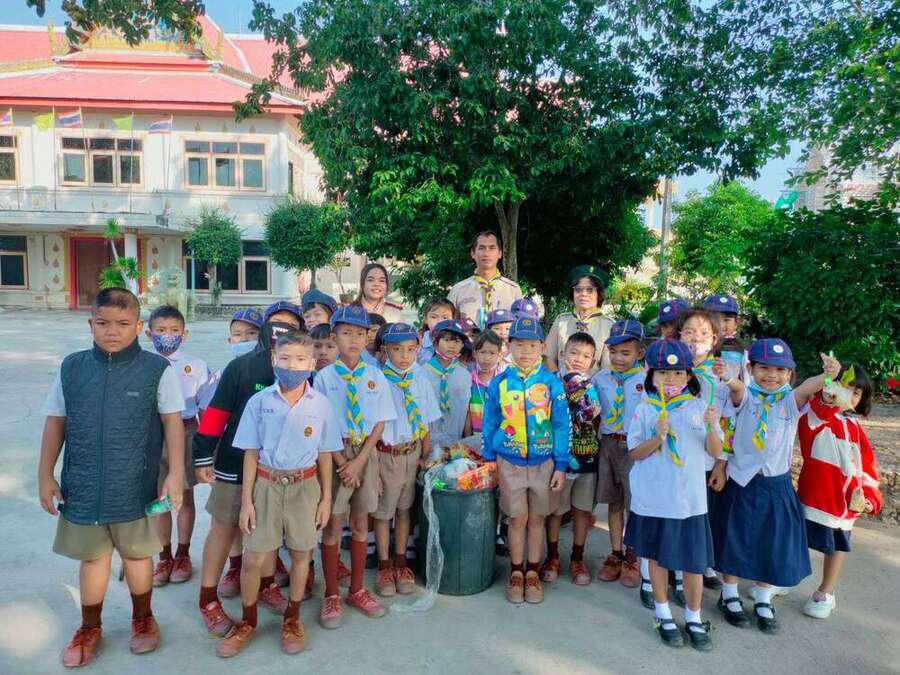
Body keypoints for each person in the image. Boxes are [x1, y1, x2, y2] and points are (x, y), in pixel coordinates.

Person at [38, 288, 186, 667]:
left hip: (134, 485)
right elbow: (56, 421)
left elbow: (173, 423)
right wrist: (45, 474)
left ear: (138, 326)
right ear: (91, 324)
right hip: (83, 484)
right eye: (103, 323)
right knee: (92, 559)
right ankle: (90, 627)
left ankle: (143, 619)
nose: (112, 331)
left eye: (123, 323)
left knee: (137, 556)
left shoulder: (156, 370)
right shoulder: (72, 368)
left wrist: (175, 474)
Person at [216, 330, 341, 657]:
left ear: (312, 363)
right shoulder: (259, 403)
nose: (292, 365)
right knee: (253, 558)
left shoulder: (321, 404)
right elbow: (250, 453)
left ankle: (292, 618)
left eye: (300, 359)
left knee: (301, 554)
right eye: (285, 358)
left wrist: (326, 498)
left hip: (305, 487)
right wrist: (247, 501)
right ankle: (248, 620)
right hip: (266, 485)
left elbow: (325, 454)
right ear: (274, 360)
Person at [710, 341, 841, 635]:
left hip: (776, 484)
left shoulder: (789, 401)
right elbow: (736, 389)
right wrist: (728, 377)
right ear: (751, 368)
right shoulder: (746, 396)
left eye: (780, 370)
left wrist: (828, 375)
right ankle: (729, 594)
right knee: (734, 538)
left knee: (771, 542)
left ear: (790, 374)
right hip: (742, 481)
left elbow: (807, 388)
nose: (772, 375)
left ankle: (763, 597)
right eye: (764, 368)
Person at [193, 301, 303, 637]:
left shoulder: (302, 369)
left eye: (290, 324)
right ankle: (207, 599)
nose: (281, 330)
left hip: (276, 469)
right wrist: (203, 456)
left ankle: (266, 585)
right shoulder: (240, 367)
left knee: (267, 531)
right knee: (224, 527)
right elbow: (216, 414)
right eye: (275, 322)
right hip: (234, 464)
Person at [625, 339, 723, 651]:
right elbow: (635, 453)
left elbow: (716, 451)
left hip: (689, 502)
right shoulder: (644, 410)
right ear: (651, 375)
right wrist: (658, 436)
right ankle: (663, 613)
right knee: (656, 559)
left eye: (679, 373)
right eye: (664, 373)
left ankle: (694, 617)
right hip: (654, 500)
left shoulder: (699, 408)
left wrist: (711, 427)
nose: (671, 379)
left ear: (689, 376)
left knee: (693, 563)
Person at [313, 304, 397, 628]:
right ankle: (332, 593)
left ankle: (358, 589)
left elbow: (379, 422)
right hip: (334, 452)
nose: (353, 340)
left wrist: (359, 462)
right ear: (334, 337)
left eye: (359, 334)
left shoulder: (375, 376)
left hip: (365, 453)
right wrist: (342, 463)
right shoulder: (324, 378)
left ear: (367, 338)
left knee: (361, 522)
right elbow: (321, 425)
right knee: (333, 525)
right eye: (345, 333)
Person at [482, 316, 571, 605]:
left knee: (537, 519)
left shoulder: (552, 384)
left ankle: (533, 571)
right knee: (516, 518)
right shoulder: (499, 383)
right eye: (519, 345)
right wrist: (490, 459)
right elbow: (489, 422)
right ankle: (516, 571)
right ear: (508, 347)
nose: (526, 352)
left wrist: (560, 465)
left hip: (544, 464)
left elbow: (561, 425)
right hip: (509, 463)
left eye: (532, 346)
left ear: (542, 348)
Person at [797, 363, 881, 619]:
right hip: (813, 496)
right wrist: (827, 394)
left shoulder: (856, 428)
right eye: (846, 387)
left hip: (845, 504)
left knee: (837, 546)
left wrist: (870, 497)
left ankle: (826, 592)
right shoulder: (816, 416)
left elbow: (867, 467)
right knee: (796, 540)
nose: (850, 395)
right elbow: (818, 412)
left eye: (857, 393)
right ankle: (782, 579)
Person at [144, 305, 209, 588]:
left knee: (183, 497)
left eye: (174, 330)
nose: (167, 336)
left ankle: (183, 554)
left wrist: (207, 449)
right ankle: (164, 556)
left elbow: (206, 407)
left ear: (185, 334)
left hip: (186, 433)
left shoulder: (196, 365)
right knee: (158, 499)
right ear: (148, 333)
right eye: (160, 330)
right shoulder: (141, 364)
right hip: (151, 436)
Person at [374, 323, 442, 596]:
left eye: (411, 350)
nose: (404, 356)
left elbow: (424, 422)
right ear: (385, 351)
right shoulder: (377, 380)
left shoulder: (420, 378)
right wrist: (372, 468)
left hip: (411, 453)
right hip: (385, 455)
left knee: (405, 509)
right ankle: (384, 565)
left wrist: (425, 456)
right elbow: (371, 428)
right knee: (383, 513)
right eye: (397, 349)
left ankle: (401, 562)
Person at [677, 307, 732, 591]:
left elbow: (729, 422)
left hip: (707, 459)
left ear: (714, 340)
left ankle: (702, 563)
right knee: (678, 513)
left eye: (702, 333)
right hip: (676, 458)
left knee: (704, 516)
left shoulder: (722, 376)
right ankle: (676, 569)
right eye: (689, 332)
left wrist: (721, 463)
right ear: (679, 335)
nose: (695, 338)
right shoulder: (669, 371)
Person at [541, 333, 602, 586]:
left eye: (586, 356)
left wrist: (577, 384)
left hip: (586, 457)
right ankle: (552, 556)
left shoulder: (591, 386)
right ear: (562, 354)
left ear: (593, 362)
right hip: (559, 460)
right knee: (556, 510)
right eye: (574, 353)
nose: (578, 359)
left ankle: (578, 558)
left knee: (582, 510)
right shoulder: (550, 383)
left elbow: (591, 414)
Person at [591, 319, 646, 588]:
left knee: (634, 504)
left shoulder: (648, 381)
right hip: (608, 445)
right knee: (613, 502)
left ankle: (632, 556)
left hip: (635, 449)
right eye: (613, 352)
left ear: (640, 353)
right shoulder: (600, 378)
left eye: (625, 353)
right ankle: (616, 553)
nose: (618, 358)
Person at [545, 265, 614, 374]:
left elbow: (608, 367)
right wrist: (559, 380)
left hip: (593, 384)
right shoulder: (561, 321)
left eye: (590, 290)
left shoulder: (609, 326)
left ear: (598, 294)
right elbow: (547, 357)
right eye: (578, 289)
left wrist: (585, 383)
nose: (583, 294)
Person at [447, 231, 523, 327]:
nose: (486, 253)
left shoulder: (513, 290)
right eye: (481, 248)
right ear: (473, 253)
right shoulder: (458, 290)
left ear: (500, 253)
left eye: (492, 248)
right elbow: (448, 326)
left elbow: (519, 327)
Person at [197, 309, 265, 412]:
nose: (244, 339)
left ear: (263, 337)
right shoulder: (222, 374)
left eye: (251, 333)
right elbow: (206, 410)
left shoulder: (273, 372)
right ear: (230, 341)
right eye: (237, 334)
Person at [420, 320, 472, 451]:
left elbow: (466, 412)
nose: (452, 345)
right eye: (447, 340)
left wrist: (465, 443)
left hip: (456, 444)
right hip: (426, 444)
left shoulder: (465, 375)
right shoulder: (422, 374)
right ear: (435, 342)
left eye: (457, 341)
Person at [464, 330, 503, 436]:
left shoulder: (503, 381)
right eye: (482, 352)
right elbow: (467, 414)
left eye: (492, 353)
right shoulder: (469, 380)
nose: (487, 358)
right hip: (475, 438)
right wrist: (468, 439)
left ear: (499, 355)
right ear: (475, 354)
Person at [417, 297, 456, 364]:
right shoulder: (418, 342)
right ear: (426, 320)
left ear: (453, 320)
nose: (439, 322)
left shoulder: (458, 344)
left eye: (445, 317)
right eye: (434, 317)